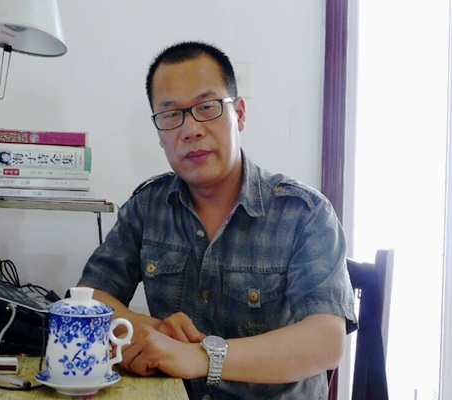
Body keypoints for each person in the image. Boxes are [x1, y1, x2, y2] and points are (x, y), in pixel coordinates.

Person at [78, 41, 357, 399]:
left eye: (207, 107)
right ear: (160, 133)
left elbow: (325, 341)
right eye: (171, 115)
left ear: (239, 114)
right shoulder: (147, 207)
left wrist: (202, 356)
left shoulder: (304, 213)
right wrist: (152, 331)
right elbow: (89, 299)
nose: (190, 129)